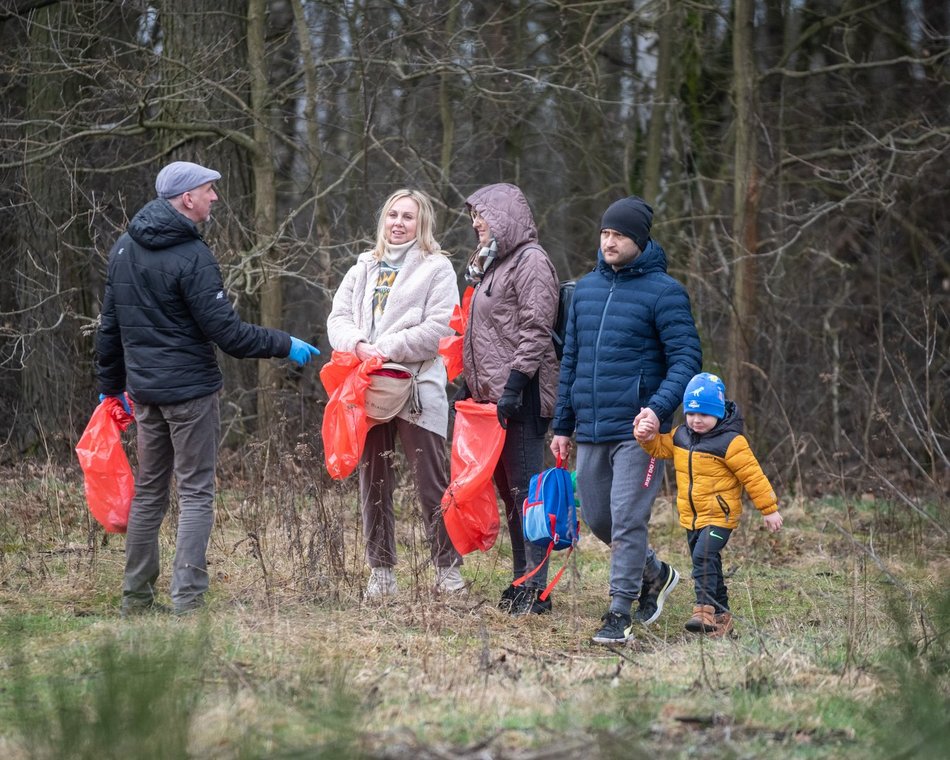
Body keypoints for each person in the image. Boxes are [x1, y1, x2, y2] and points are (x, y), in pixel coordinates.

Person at [96, 160, 320, 617]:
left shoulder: (123, 248)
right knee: (196, 491)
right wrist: (283, 343)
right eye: (209, 190)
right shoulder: (192, 257)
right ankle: (188, 601)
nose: (216, 197)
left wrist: (111, 386)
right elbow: (229, 335)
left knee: (150, 492)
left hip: (145, 395)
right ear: (186, 199)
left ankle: (135, 600)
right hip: (190, 395)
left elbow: (109, 328)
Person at [550, 195, 702, 644]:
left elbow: (687, 358)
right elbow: (571, 360)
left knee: (628, 517)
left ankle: (619, 613)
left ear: (638, 239)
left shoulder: (665, 292)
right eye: (604, 233)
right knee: (600, 519)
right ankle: (654, 573)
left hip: (641, 431)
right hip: (592, 426)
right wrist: (562, 426)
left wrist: (657, 409)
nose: (608, 241)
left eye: (618, 234)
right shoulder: (585, 290)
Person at [326, 189, 464, 599]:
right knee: (374, 479)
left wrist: (385, 347)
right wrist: (358, 344)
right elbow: (338, 318)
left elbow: (441, 328)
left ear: (422, 224)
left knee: (431, 482)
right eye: (392, 215)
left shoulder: (438, 269)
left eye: (408, 217)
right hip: (369, 386)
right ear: (383, 220)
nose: (399, 223)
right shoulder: (363, 267)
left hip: (417, 386)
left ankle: (448, 570)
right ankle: (381, 573)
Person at [455, 183, 559, 615]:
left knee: (527, 496)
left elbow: (536, 330)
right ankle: (522, 579)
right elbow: (484, 333)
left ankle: (537, 589)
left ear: (503, 216)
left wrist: (515, 385)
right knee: (511, 496)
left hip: (522, 399)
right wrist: (470, 383)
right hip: (491, 402)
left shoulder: (531, 261)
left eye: (482, 215)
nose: (476, 223)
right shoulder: (494, 266)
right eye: (475, 217)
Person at [635, 372, 783, 636]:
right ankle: (722, 616)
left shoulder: (731, 442)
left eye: (703, 414)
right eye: (691, 413)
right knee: (708, 563)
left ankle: (703, 611)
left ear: (718, 412)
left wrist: (769, 509)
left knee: (703, 556)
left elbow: (753, 476)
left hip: (719, 517)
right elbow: (659, 448)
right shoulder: (681, 436)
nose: (696, 420)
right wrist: (645, 437)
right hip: (692, 516)